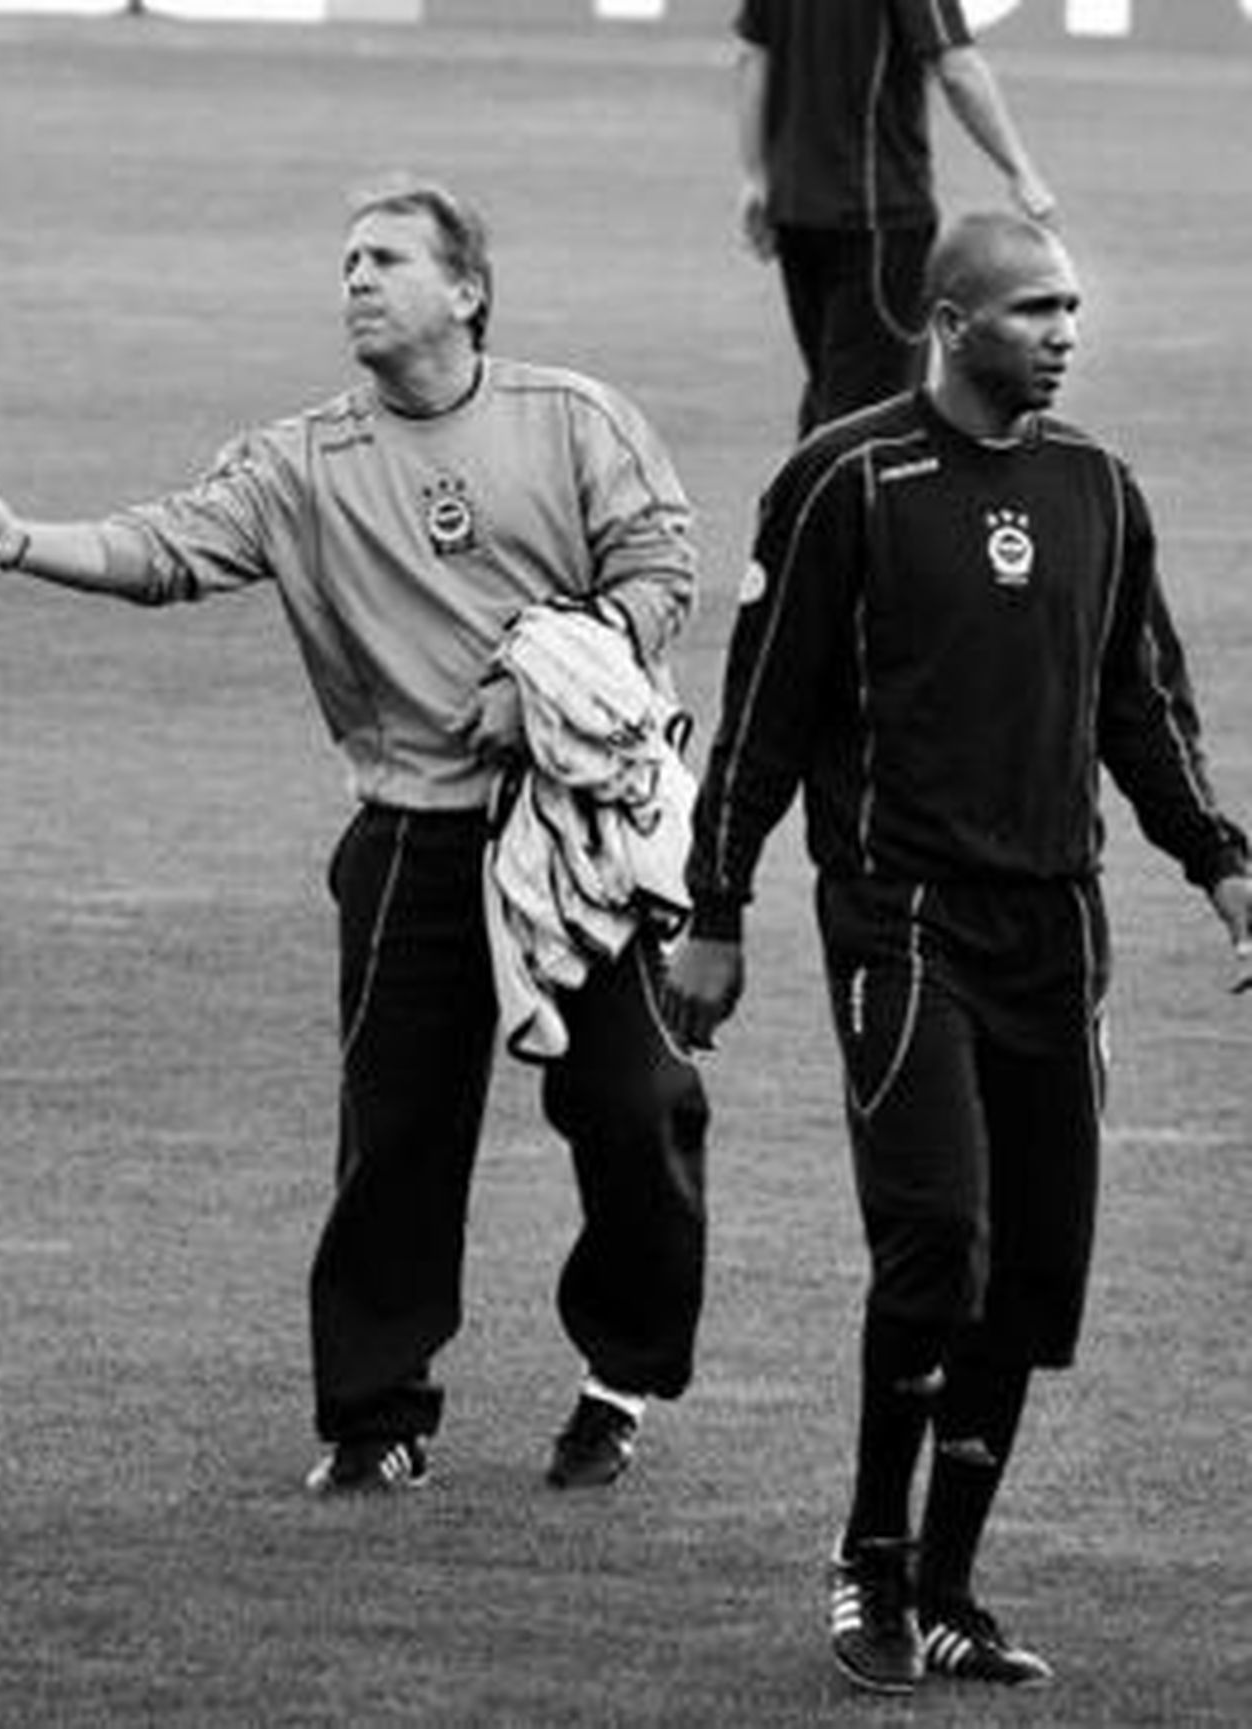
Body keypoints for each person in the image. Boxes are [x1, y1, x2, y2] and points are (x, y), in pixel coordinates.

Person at [0, 178, 710, 1496]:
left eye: (386, 259)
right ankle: (378, 1416)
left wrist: (552, 681)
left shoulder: (575, 420)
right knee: (396, 1136)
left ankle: (619, 1376)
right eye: (345, 263)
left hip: (580, 833)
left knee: (636, 1109)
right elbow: (168, 547)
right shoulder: (300, 460)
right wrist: (21, 543)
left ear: (467, 288)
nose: (356, 282)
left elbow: (660, 570)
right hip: (415, 835)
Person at [662, 211, 1251, 1693]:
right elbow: (767, 718)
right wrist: (715, 914)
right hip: (902, 922)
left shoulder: (1099, 491)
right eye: (1033, 308)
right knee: (941, 1242)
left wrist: (1224, 863)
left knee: (1035, 1276)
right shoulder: (847, 479)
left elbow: (1142, 710)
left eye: (1071, 308)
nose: (1064, 331)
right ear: (947, 320)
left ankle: (949, 1583)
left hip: (1057, 929)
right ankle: (867, 1561)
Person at [733, 0, 1057, 437]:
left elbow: (754, 54)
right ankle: (832, 503)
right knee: (870, 414)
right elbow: (956, 67)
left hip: (798, 209)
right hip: (877, 219)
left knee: (831, 391)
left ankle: (801, 503)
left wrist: (756, 175)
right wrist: (1021, 170)